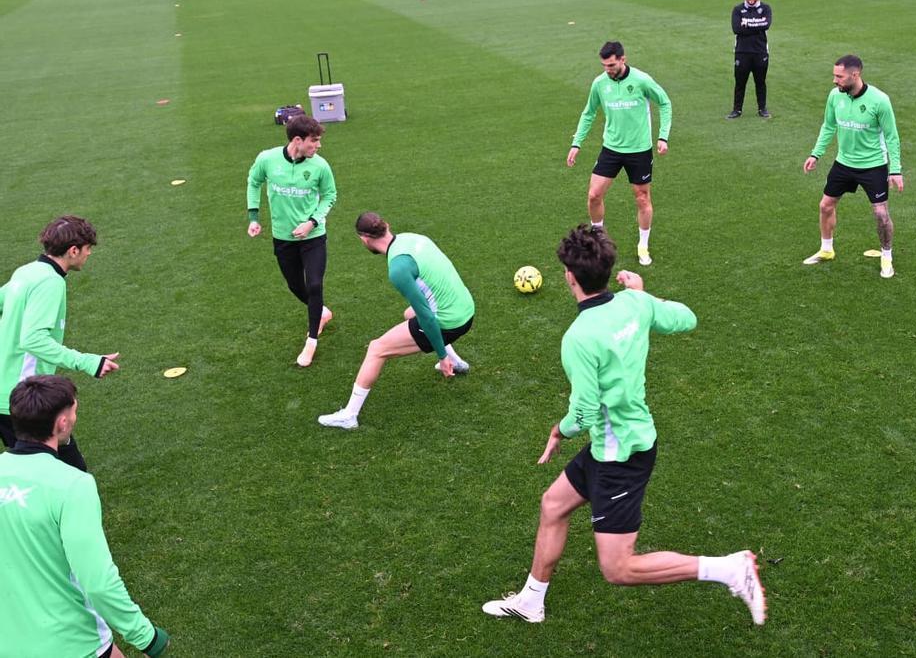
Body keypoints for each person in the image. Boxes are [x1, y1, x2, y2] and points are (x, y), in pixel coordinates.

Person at [480, 225, 766, 625]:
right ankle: (531, 600)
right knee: (553, 505)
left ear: (570, 277)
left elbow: (583, 413)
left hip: (620, 456)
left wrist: (559, 430)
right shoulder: (636, 303)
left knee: (619, 568)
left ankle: (729, 569)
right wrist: (643, 295)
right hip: (615, 441)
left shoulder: (579, 337)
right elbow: (686, 318)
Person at [0, 376, 170, 658]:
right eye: (74, 411)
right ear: (62, 422)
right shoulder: (73, 486)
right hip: (71, 642)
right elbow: (98, 582)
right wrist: (145, 636)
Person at [318, 212, 474, 430]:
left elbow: (427, 317)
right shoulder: (413, 238)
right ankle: (456, 361)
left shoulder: (398, 269)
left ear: (364, 239)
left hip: (450, 322)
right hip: (466, 308)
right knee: (409, 314)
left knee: (376, 349)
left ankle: (349, 416)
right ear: (387, 226)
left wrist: (441, 355)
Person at [0, 216, 119, 472]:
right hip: (22, 397)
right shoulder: (50, 282)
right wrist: (87, 362)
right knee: (71, 471)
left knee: (33, 468)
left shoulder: (26, 271)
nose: (89, 254)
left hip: (7, 393)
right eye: (88, 248)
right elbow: (33, 340)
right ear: (73, 250)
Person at [568, 41, 673, 267]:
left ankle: (643, 245)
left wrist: (663, 136)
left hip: (639, 150)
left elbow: (665, 103)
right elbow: (588, 113)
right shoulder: (599, 83)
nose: (608, 69)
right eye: (604, 65)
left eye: (611, 65)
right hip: (611, 148)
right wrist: (577, 143)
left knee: (642, 198)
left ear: (623, 59)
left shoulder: (642, 80)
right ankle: (598, 238)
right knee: (594, 195)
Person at [246, 114, 338, 367]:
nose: (318, 145)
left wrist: (312, 222)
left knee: (315, 284)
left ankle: (311, 341)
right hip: (283, 238)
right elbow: (253, 182)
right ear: (297, 140)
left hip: (313, 237)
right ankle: (321, 312)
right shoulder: (267, 159)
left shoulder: (320, 166)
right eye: (314, 140)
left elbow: (330, 195)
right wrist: (253, 217)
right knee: (296, 286)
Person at [802, 54, 904, 278]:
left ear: (855, 75)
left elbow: (892, 137)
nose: (834, 80)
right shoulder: (835, 96)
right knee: (825, 206)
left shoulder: (879, 100)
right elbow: (828, 126)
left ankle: (886, 256)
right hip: (844, 163)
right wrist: (815, 154)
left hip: (873, 165)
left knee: (881, 214)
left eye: (839, 76)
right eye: (834, 75)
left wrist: (895, 170)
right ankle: (826, 249)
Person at [727, 0, 772, 119]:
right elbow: (736, 29)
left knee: (760, 82)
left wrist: (747, 24)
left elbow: (766, 24)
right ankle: (737, 110)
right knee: (740, 83)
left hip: (760, 52)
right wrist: (758, 25)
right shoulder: (737, 10)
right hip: (742, 52)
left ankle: (762, 109)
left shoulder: (766, 8)